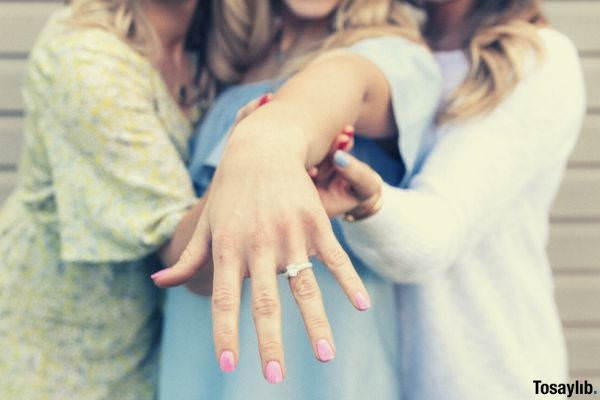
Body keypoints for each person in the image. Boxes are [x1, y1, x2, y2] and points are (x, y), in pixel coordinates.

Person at [154, 0, 441, 398]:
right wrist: (234, 187)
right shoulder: (232, 65)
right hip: (205, 375)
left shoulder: (395, 55)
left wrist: (270, 133)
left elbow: (344, 81)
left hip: (316, 380)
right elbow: (189, 266)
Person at [301, 0, 587, 398]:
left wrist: (365, 202)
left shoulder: (541, 59)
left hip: (499, 379)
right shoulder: (379, 48)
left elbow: (435, 232)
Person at [0, 0, 214, 398]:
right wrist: (259, 168)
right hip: (54, 358)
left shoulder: (213, 45)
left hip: (142, 349)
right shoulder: (87, 57)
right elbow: (186, 257)